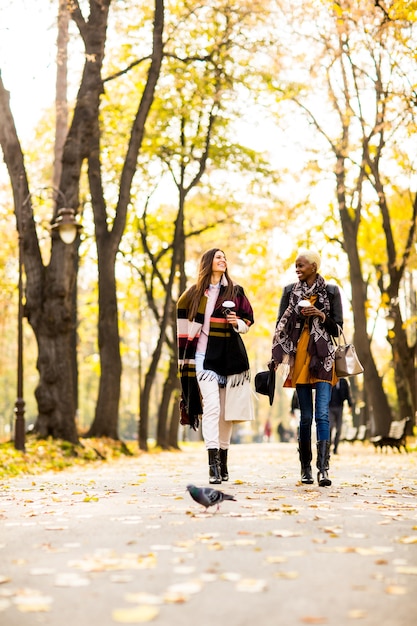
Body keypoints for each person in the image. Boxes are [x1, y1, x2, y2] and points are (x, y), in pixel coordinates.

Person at [177, 248, 255, 484]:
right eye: (218, 257)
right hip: (202, 359)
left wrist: (237, 323)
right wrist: (186, 353)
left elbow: (248, 320)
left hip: (229, 359)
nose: (223, 260)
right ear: (208, 262)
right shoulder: (193, 294)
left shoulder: (234, 291)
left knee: (225, 414)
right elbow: (182, 322)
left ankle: (223, 459)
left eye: (224, 257)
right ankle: (212, 466)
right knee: (211, 408)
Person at [271, 249, 343, 486]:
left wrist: (321, 315)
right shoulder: (289, 291)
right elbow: (281, 327)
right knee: (306, 417)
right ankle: (305, 469)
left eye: (301, 265)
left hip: (324, 358)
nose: (297, 269)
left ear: (314, 266)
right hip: (299, 356)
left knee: (322, 414)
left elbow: (338, 330)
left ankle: (323, 469)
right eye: (296, 265)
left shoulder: (331, 291)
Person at [329, 378, 353, 454]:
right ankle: (327, 447)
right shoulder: (329, 379)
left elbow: (347, 393)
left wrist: (350, 405)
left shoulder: (343, 381)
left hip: (339, 407)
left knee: (338, 429)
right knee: (330, 427)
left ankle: (335, 448)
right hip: (330, 407)